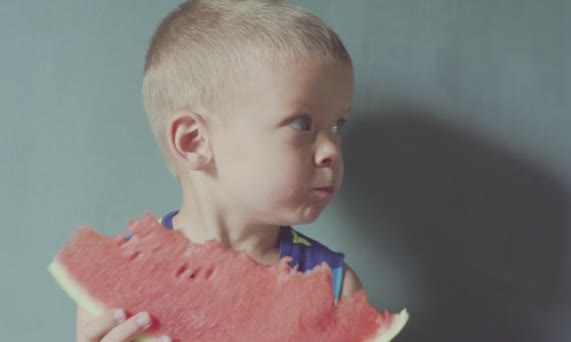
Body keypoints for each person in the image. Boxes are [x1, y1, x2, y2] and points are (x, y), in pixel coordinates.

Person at [76, 1, 362, 341]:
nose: (331, 150)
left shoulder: (336, 289)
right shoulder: (115, 287)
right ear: (194, 141)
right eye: (302, 123)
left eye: (338, 126)